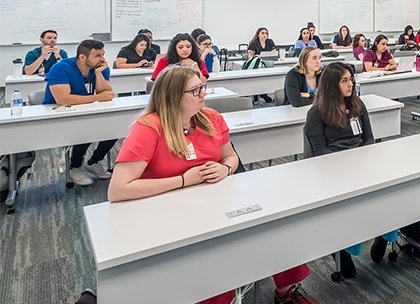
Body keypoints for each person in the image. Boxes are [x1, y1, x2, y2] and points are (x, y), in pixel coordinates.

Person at [107, 65, 316, 304]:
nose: (203, 94)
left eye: (203, 87)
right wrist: (184, 180)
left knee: (274, 224)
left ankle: (287, 292)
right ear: (173, 96)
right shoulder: (148, 127)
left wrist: (225, 168)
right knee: (210, 257)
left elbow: (231, 157)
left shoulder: (211, 118)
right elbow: (118, 189)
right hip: (168, 211)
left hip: (214, 201)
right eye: (195, 91)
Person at [304, 62, 388, 280]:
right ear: (332, 84)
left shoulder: (357, 104)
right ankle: (342, 248)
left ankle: (384, 232)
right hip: (334, 170)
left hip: (361, 163)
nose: (350, 84)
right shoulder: (317, 113)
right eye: (344, 80)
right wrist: (347, 167)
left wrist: (364, 160)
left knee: (388, 191)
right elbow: (320, 152)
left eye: (351, 79)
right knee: (351, 203)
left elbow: (369, 138)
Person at [44, 39, 118, 185]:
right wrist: (97, 97)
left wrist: (98, 74)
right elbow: (63, 99)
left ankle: (93, 161)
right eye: (98, 55)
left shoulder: (100, 67)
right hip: (57, 114)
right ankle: (75, 166)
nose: (102, 59)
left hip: (84, 110)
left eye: (103, 54)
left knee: (115, 127)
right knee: (86, 129)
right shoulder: (61, 68)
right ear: (82, 57)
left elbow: (107, 94)